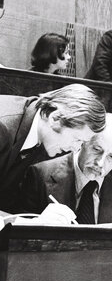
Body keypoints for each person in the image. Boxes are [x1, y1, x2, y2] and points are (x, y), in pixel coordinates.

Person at [22, 113, 112, 223]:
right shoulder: (39, 175)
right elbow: (20, 233)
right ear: (83, 142)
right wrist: (39, 222)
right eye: (97, 149)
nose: (101, 163)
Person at [0, 84, 106, 212]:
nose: (75, 149)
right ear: (54, 118)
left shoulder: (42, 133)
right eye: (77, 139)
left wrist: (34, 221)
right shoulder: (3, 126)